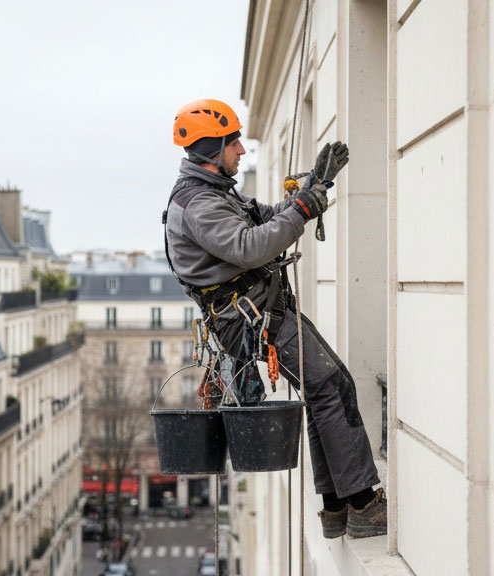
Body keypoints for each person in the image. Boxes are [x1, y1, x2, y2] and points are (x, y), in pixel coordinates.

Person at [162, 98, 386, 539]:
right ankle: (360, 502)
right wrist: (303, 208)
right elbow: (251, 246)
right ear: (212, 149)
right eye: (234, 142)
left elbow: (264, 218)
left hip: (262, 311)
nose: (242, 150)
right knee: (328, 386)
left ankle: (339, 504)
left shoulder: (214, 194)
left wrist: (311, 189)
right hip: (250, 317)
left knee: (328, 386)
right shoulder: (199, 205)